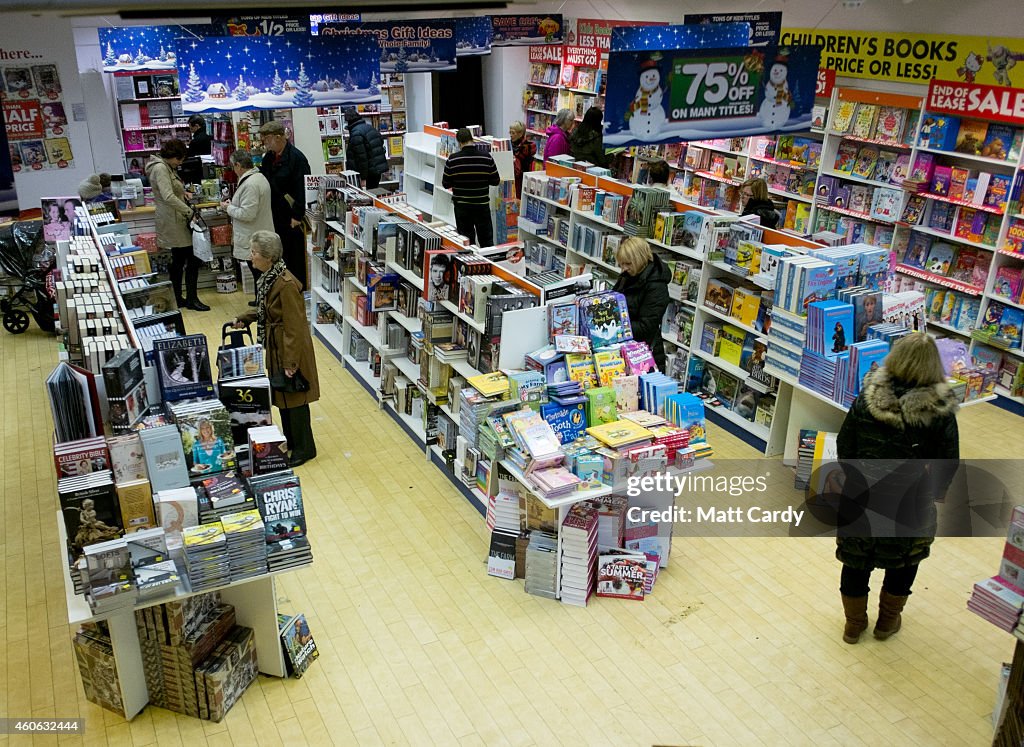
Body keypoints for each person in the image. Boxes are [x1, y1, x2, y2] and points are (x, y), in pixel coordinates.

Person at [835, 332, 959, 644]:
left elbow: (845, 444)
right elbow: (948, 461)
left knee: (856, 561)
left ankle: (853, 625)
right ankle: (887, 622)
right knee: (904, 561)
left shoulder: (867, 398)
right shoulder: (939, 409)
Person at [235, 231, 320, 467]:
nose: (251, 258)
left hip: (288, 349)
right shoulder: (269, 279)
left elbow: (295, 327)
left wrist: (291, 363)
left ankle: (304, 449)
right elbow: (266, 310)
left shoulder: (285, 285)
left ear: (268, 257)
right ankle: (292, 443)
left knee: (295, 400)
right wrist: (246, 317)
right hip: (277, 347)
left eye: (255, 253)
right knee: (284, 398)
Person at [145, 139, 209, 311]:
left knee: (179, 260)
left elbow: (171, 192)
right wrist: (189, 212)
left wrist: (183, 193)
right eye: (179, 159)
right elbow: (167, 195)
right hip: (174, 221)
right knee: (192, 259)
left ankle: (178, 298)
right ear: (173, 156)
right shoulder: (160, 168)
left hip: (172, 219)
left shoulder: (164, 167)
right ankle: (191, 299)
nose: (180, 163)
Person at [259, 120, 310, 288]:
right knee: (279, 253)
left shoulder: (297, 159)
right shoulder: (269, 157)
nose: (264, 142)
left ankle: (296, 289)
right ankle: (280, 287)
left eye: (267, 139)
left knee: (293, 255)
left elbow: (303, 188)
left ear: (279, 137)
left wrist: (297, 214)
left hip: (291, 216)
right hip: (274, 213)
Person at [220, 149, 273, 307]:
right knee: (259, 272)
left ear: (238, 165)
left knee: (259, 271)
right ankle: (260, 300)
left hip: (253, 234)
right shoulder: (257, 178)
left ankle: (263, 303)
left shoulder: (251, 183)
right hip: (258, 232)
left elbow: (248, 214)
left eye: (232, 166)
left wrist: (227, 208)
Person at [612, 237, 672, 372]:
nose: (624, 269)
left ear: (639, 259)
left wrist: (616, 325)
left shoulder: (656, 286)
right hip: (627, 346)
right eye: (621, 264)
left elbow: (646, 327)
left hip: (644, 355)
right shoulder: (629, 275)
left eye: (628, 264)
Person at [441, 128, 500, 248]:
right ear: (472, 139)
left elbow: (445, 183)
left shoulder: (452, 159)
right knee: (486, 241)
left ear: (459, 142)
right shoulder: (486, 157)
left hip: (462, 207)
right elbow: (495, 181)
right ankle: (489, 264)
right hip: (481, 205)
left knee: (466, 241)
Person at [343, 108, 387, 189]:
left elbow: (361, 159)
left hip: (368, 173)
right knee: (374, 192)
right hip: (376, 170)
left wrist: (363, 178)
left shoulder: (356, 133)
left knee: (368, 197)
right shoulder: (370, 127)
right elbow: (380, 143)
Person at [509, 121, 535, 199]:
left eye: (513, 133)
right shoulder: (509, 144)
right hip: (511, 178)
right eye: (510, 132)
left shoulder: (527, 147)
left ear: (520, 134)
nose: (510, 135)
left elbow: (525, 165)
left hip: (522, 180)